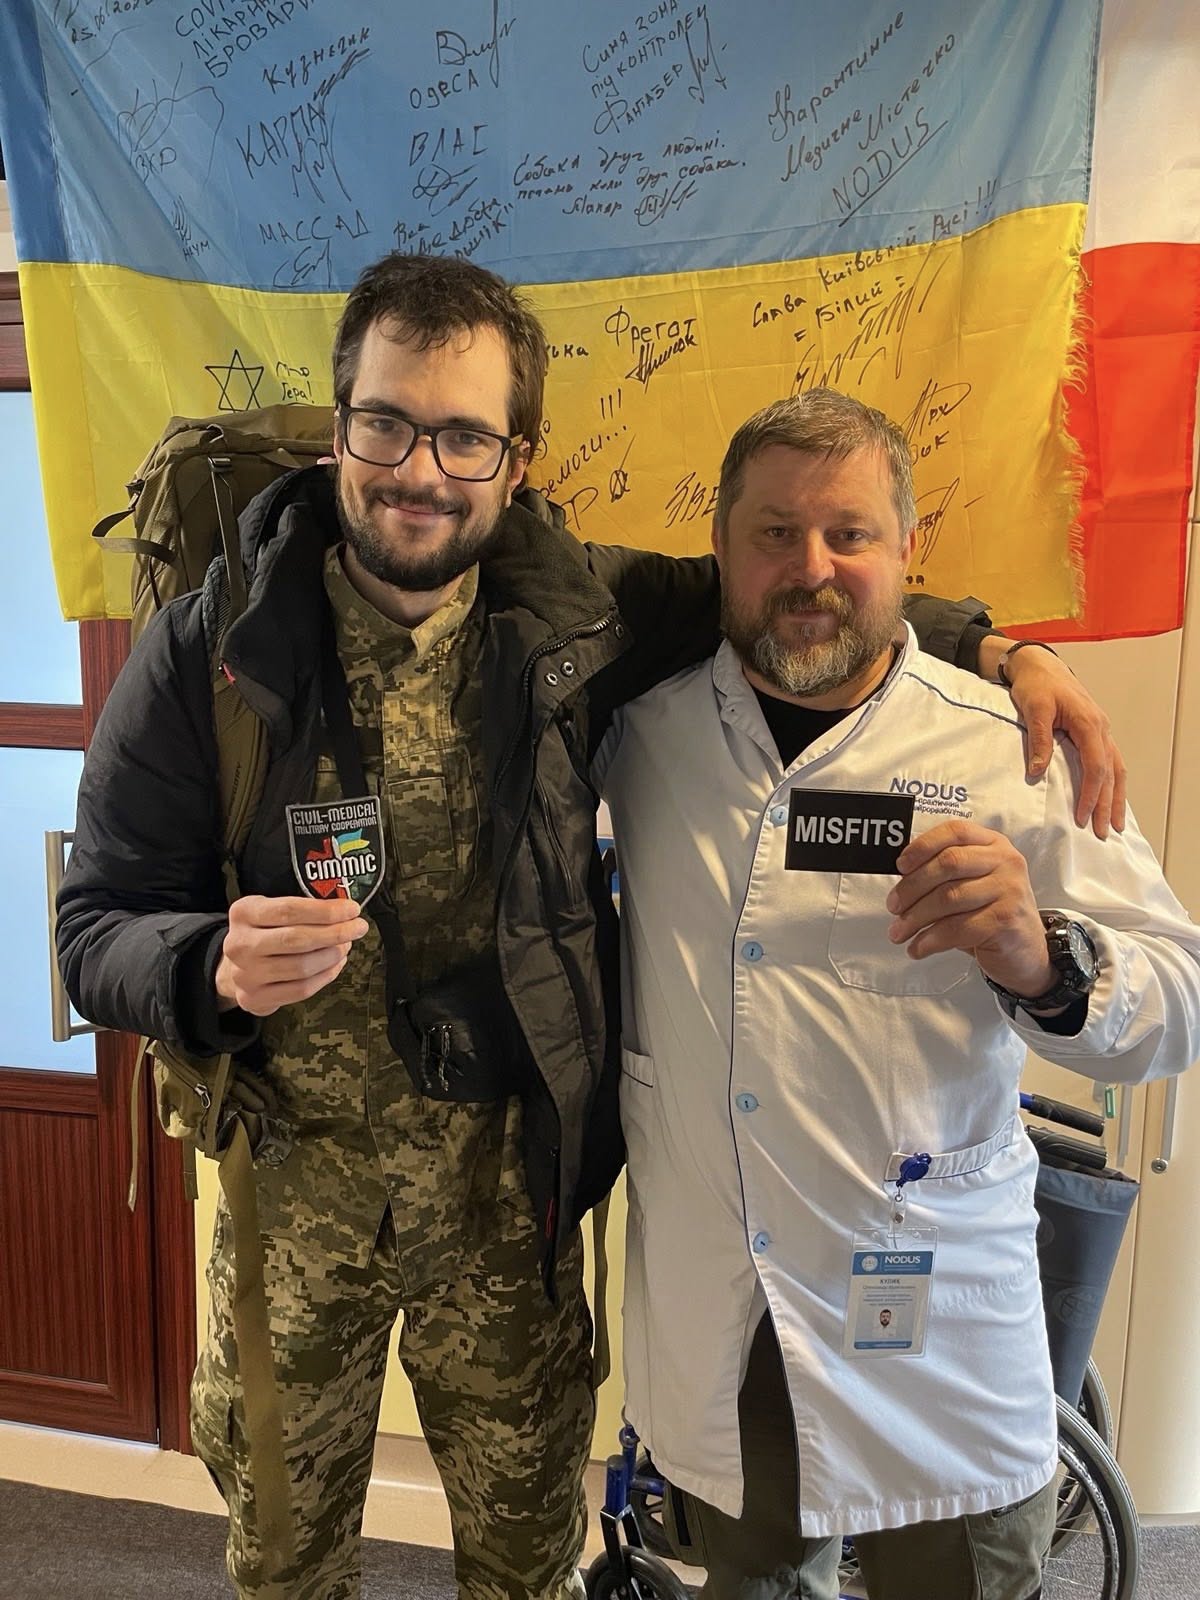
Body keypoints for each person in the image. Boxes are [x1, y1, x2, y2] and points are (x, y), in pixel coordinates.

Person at [56, 255, 1123, 1600]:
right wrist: (204, 963)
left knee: (528, 1569)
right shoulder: (212, 647)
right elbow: (94, 925)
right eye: (386, 424)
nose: (419, 471)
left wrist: (1000, 649)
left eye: (463, 436)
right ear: (340, 430)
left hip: (510, 1215)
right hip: (292, 1214)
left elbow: (801, 587)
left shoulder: (581, 614)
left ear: (516, 460)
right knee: (282, 1567)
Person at [594, 389, 1200, 1600]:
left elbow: (1179, 997)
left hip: (936, 1325)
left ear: (909, 548)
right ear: (720, 547)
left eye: (850, 534)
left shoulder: (1010, 745)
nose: (811, 568)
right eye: (775, 533)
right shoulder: (642, 733)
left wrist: (1046, 958)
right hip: (731, 1310)